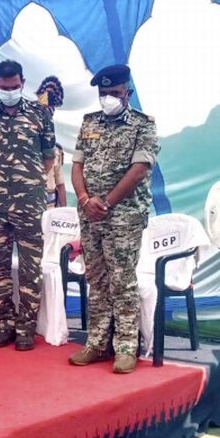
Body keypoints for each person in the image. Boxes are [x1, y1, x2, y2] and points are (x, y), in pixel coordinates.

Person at [68, 64, 159, 374]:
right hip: (90, 214)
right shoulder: (89, 123)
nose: (108, 98)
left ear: (127, 93)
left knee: (122, 281)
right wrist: (84, 199)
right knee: (96, 279)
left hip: (124, 216)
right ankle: (96, 342)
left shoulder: (143, 125)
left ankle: (125, 347)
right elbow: (76, 166)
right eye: (103, 93)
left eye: (114, 93)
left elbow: (139, 170)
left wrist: (105, 202)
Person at [0, 59, 55, 351]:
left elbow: (49, 157)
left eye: (15, 86)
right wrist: (0, 181)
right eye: (5, 87)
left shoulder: (40, 113)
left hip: (30, 202)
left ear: (23, 83)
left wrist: (29, 181)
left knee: (29, 266)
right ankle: (6, 324)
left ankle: (26, 328)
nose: (10, 91)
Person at [36, 76, 67, 208]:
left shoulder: (56, 150)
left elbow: (60, 183)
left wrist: (64, 211)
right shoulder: (21, 144)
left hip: (50, 206)